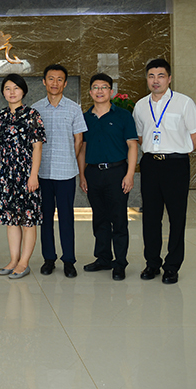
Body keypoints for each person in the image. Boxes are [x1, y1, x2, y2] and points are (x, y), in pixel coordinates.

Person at [133, 58, 196, 284]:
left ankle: (172, 266)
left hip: (176, 165)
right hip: (150, 164)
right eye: (151, 76)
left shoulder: (184, 103)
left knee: (176, 216)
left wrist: (177, 152)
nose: (156, 80)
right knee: (151, 217)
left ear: (169, 78)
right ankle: (152, 263)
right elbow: (140, 136)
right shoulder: (140, 105)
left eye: (161, 76)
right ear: (147, 79)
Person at [77, 73, 138, 281]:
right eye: (95, 87)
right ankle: (103, 258)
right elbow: (82, 148)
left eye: (104, 87)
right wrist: (82, 175)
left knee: (118, 219)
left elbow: (132, 145)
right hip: (93, 173)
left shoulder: (123, 115)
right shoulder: (85, 118)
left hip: (117, 172)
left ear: (111, 91)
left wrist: (130, 174)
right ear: (90, 92)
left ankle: (120, 263)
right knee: (99, 218)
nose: (100, 91)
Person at [32, 64, 87, 278]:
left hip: (65, 173)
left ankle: (69, 260)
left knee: (67, 217)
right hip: (42, 173)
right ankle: (49, 259)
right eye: (51, 78)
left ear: (65, 83)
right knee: (45, 218)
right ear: (44, 81)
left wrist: (69, 158)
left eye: (59, 79)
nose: (55, 83)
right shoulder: (35, 109)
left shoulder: (73, 108)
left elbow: (79, 139)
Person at [0, 74, 46, 279]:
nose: (12, 92)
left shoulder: (32, 115)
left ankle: (24, 262)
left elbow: (37, 147)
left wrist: (33, 176)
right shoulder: (0, 116)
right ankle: (14, 259)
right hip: (5, 174)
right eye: (7, 88)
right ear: (3, 92)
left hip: (26, 174)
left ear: (23, 91)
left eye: (16, 88)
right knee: (11, 219)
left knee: (27, 219)